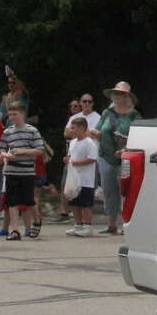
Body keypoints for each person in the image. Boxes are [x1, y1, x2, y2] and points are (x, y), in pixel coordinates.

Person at [90, 81, 143, 235]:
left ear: (128, 97)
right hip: (106, 156)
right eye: (116, 93)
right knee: (108, 190)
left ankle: (126, 224)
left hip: (125, 157)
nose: (118, 96)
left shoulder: (134, 115)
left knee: (125, 191)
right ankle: (111, 224)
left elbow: (139, 137)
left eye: (122, 94)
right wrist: (95, 133)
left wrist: (126, 149)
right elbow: (98, 129)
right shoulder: (107, 112)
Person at [0, 104, 44, 240]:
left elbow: (40, 150)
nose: (12, 117)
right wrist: (5, 156)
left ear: (22, 114)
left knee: (29, 200)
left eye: (15, 114)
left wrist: (22, 151)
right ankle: (15, 230)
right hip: (11, 170)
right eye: (10, 115)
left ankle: (37, 220)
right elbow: (1, 149)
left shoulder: (32, 130)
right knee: (12, 201)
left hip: (27, 171)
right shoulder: (7, 132)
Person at [56, 94, 102, 223]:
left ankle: (87, 224)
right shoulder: (74, 119)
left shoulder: (97, 118)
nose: (86, 103)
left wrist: (85, 133)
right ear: (80, 103)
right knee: (69, 189)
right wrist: (88, 132)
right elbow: (66, 133)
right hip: (73, 165)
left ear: (92, 103)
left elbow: (97, 135)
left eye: (89, 101)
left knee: (86, 196)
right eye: (84, 101)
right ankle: (75, 222)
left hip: (86, 167)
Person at [63, 117, 98, 237]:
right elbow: (70, 156)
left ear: (82, 128)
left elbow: (92, 159)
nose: (71, 130)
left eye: (74, 128)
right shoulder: (73, 142)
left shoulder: (89, 142)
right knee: (74, 202)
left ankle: (87, 226)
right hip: (73, 178)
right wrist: (67, 160)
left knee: (85, 204)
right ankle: (78, 225)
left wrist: (77, 163)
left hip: (85, 180)